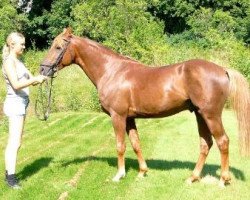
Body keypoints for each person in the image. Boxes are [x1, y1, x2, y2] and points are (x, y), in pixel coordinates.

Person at [1, 32, 47, 189]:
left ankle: (10, 173)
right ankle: (11, 178)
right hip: (15, 104)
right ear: (12, 44)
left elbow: (28, 80)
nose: (24, 46)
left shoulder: (18, 61)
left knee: (17, 141)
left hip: (21, 103)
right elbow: (16, 84)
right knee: (14, 142)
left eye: (24, 43)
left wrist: (39, 78)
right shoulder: (9, 62)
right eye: (22, 44)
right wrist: (34, 80)